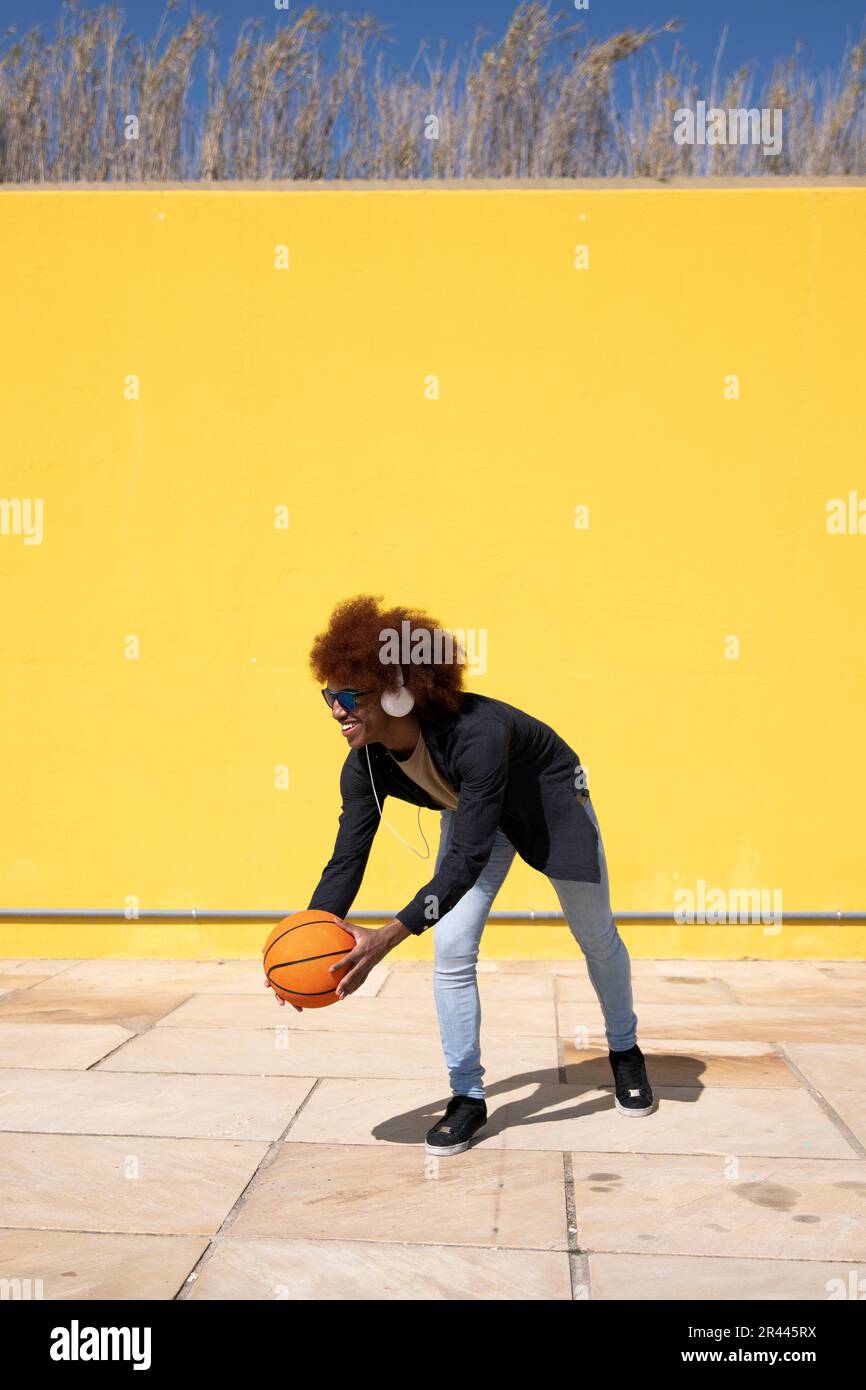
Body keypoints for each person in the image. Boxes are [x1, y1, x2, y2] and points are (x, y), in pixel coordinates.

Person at [267, 594, 654, 1155]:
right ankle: (467, 1096)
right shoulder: (365, 764)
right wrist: (303, 941)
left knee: (595, 935)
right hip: (475, 814)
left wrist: (388, 936)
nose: (337, 710)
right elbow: (347, 858)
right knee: (451, 947)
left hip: (548, 802)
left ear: (398, 691)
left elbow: (465, 859)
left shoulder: (479, 735)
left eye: (350, 696)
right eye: (329, 696)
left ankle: (624, 1050)